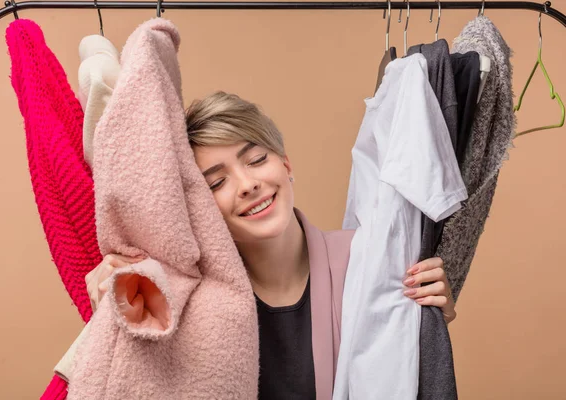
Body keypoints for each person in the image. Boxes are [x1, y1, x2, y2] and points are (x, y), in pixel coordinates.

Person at [84, 91, 456, 399]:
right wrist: (118, 292)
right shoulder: (196, 301)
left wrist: (431, 318)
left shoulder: (370, 258)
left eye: (257, 159)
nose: (247, 185)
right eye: (216, 183)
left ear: (286, 163)